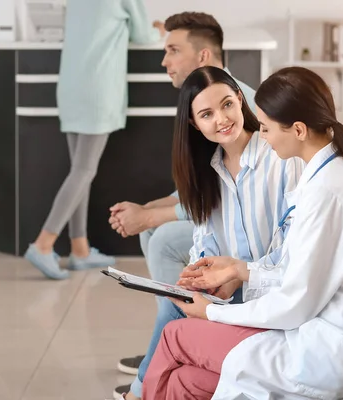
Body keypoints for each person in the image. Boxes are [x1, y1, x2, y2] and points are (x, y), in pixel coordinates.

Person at [142, 66, 343, 400]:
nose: (262, 136)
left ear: (299, 130)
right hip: (315, 332)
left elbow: (296, 301)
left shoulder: (327, 191)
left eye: (265, 127)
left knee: (175, 335)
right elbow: (298, 272)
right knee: (182, 382)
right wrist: (238, 270)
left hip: (324, 350)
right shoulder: (326, 178)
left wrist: (213, 311)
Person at [117, 66, 305, 400]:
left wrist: (237, 274)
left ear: (240, 100)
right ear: (193, 124)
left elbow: (294, 249)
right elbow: (204, 244)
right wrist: (201, 272)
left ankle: (137, 394)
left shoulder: (278, 157)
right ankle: (141, 393)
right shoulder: (207, 173)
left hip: (271, 304)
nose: (222, 119)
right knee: (177, 307)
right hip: (234, 299)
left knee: (173, 323)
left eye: (227, 104)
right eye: (207, 114)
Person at [109, 11, 259, 385]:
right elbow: (199, 189)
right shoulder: (203, 107)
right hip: (222, 219)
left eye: (173, 50)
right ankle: (169, 338)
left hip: (246, 235)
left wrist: (151, 218)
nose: (165, 61)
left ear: (204, 57)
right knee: (153, 234)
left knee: (161, 239)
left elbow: (229, 199)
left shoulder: (235, 110)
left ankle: (162, 354)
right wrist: (146, 212)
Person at [24, 0, 166, 280]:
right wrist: (158, 30)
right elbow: (143, 35)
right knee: (84, 170)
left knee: (80, 171)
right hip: (97, 88)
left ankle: (80, 249)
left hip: (71, 86)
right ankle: (43, 244)